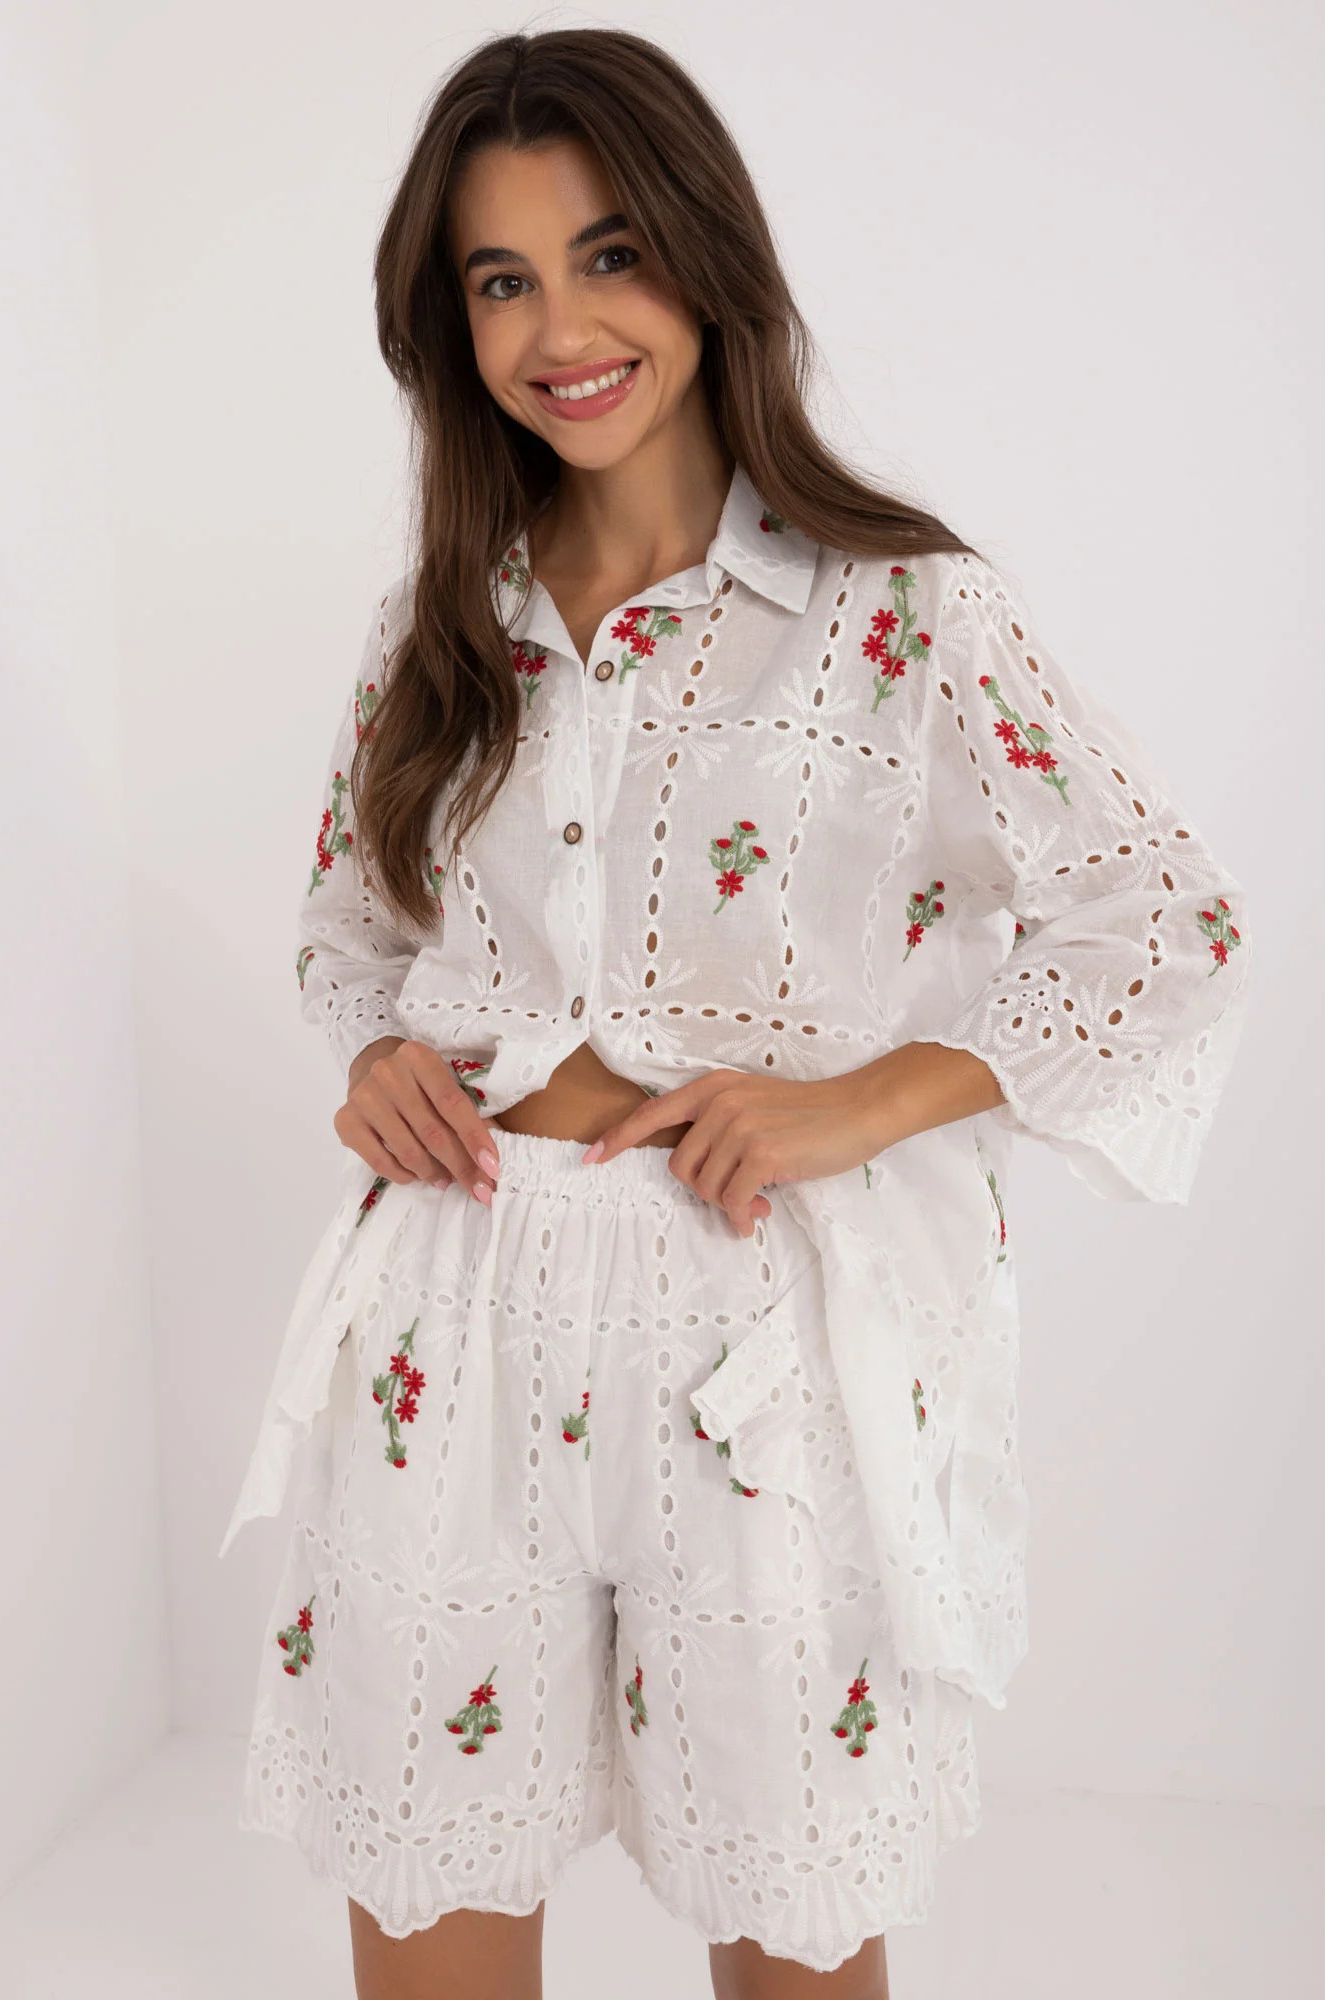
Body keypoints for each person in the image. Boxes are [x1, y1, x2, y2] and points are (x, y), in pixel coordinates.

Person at [217, 27, 1249, 1999]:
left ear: (707, 257)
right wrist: (374, 1057)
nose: (559, 329)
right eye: (499, 279)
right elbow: (348, 926)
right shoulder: (441, 629)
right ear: (450, 326)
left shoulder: (907, 613)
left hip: (756, 1338)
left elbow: (1168, 924)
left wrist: (866, 1097)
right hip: (453, 1312)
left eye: (608, 254)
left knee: (793, 1927)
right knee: (428, 1910)